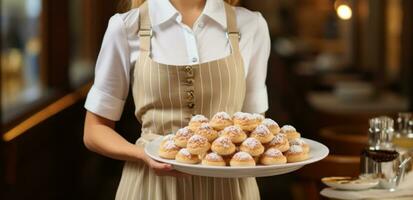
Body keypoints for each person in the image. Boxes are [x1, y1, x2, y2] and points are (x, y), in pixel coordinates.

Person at [83, 0, 270, 199]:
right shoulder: (126, 27)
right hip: (151, 187)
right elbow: (94, 130)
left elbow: (255, 128)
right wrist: (143, 155)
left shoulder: (251, 25)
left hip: (230, 189)